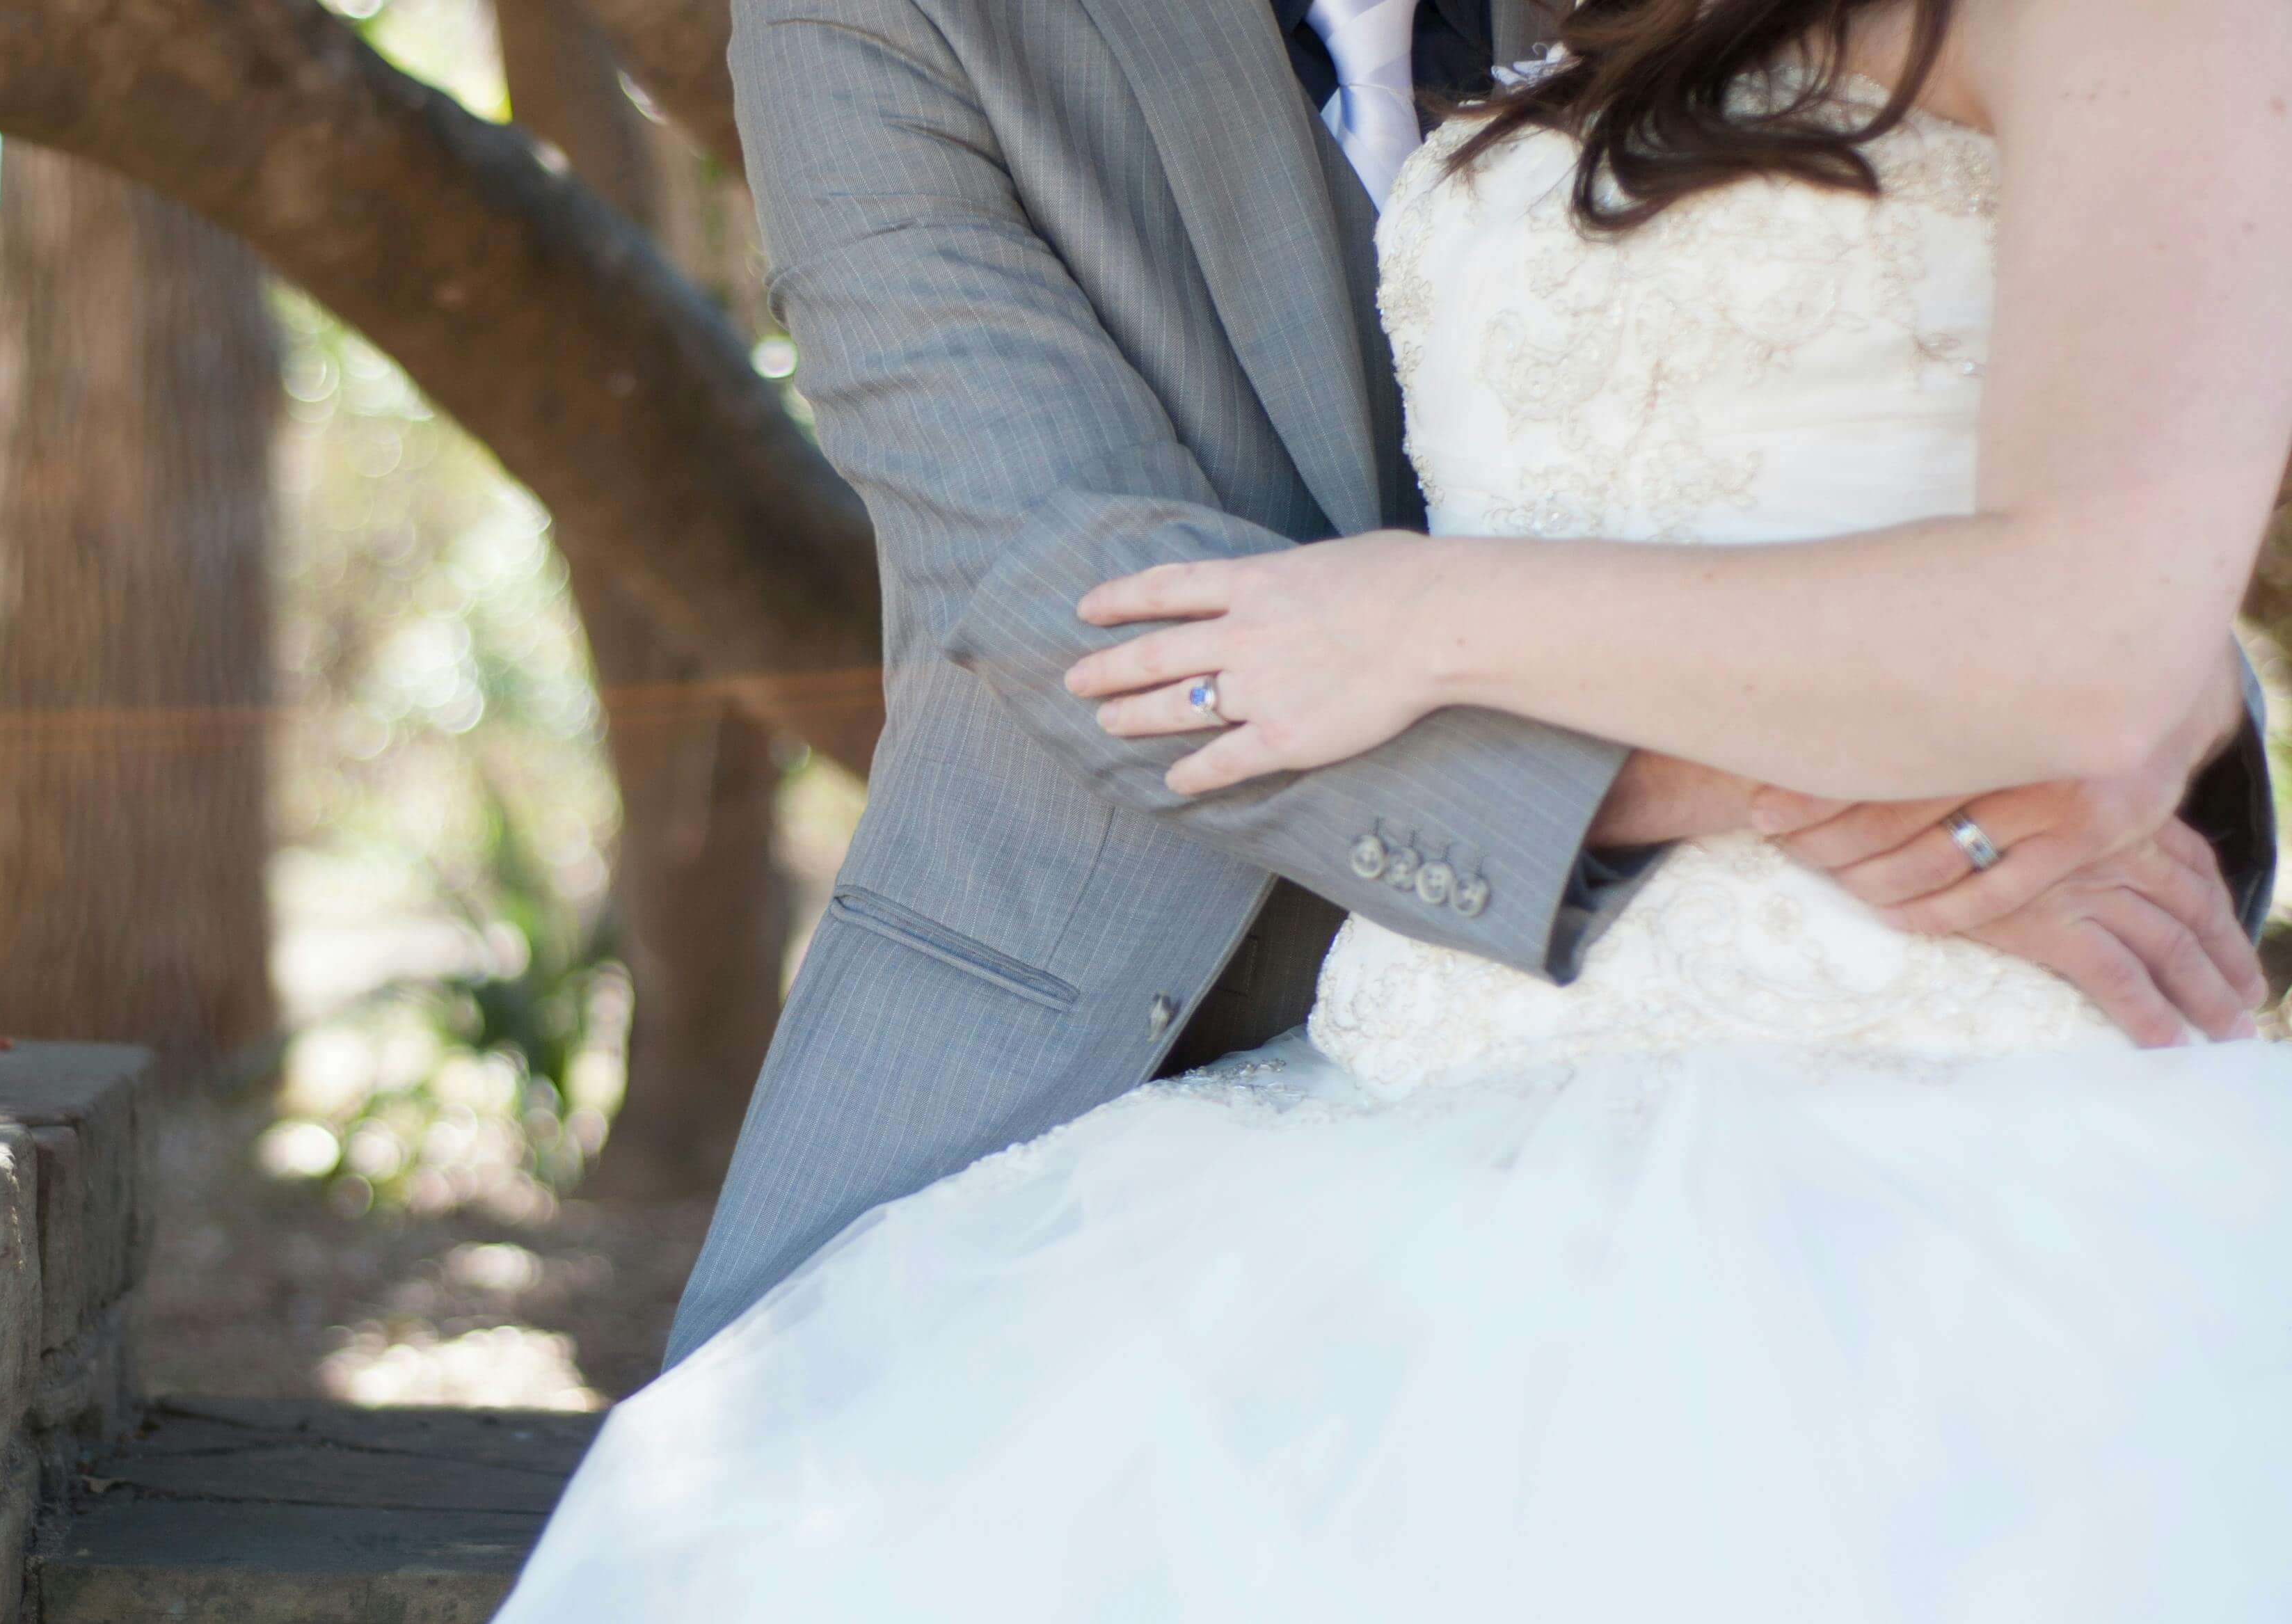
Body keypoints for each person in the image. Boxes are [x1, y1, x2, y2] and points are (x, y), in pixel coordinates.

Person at [495, 0, 2292, 1614]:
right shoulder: (882, 21)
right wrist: (1821, 766)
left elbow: (2091, 547)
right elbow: (1052, 589)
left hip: (1951, 1086)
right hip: (1200, 1067)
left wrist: (2137, 694)